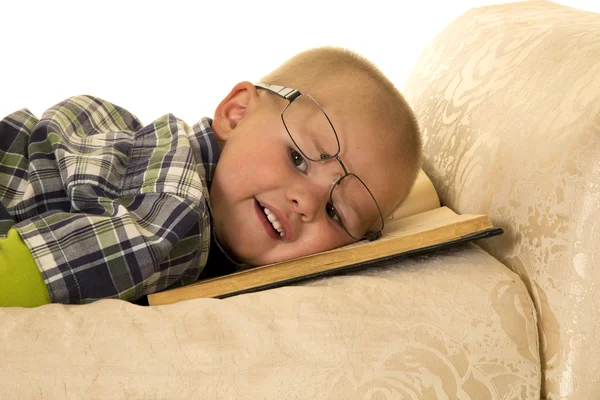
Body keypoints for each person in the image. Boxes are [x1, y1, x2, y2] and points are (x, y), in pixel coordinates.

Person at [0, 46, 422, 307]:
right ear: (236, 114)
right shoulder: (179, 218)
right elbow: (30, 274)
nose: (306, 203)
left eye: (336, 212)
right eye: (297, 158)